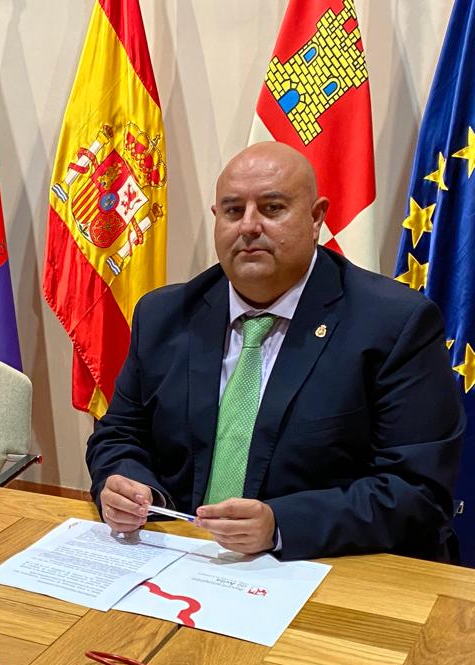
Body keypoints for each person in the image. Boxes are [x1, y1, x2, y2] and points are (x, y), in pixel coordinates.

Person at [86, 141, 464, 561]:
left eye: (271, 208)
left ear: (316, 217)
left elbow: (419, 492)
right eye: (233, 211)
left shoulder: (395, 324)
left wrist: (281, 524)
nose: (248, 226)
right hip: (181, 560)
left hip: (326, 567)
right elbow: (119, 434)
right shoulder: (164, 315)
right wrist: (124, 482)